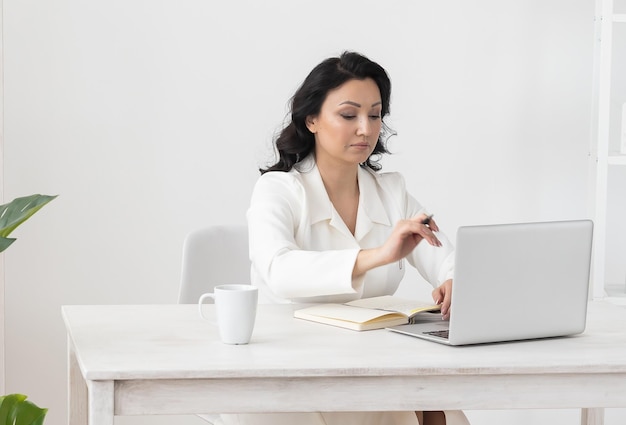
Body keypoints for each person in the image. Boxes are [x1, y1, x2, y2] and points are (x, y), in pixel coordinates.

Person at [224, 51, 469, 425]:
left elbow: (444, 257)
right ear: (312, 119)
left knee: (444, 406)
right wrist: (379, 255)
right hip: (288, 367)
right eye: (348, 114)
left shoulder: (393, 192)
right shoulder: (277, 189)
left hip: (373, 363)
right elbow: (279, 270)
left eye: (375, 115)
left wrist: (453, 279)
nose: (366, 129)